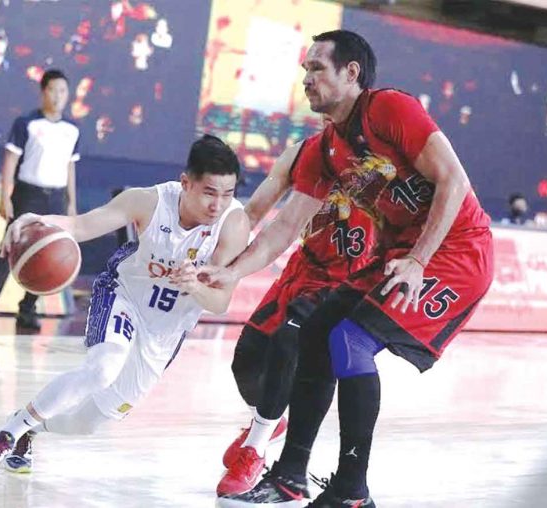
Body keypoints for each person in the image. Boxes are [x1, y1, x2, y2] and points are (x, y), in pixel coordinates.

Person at [209, 30, 494, 507]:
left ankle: (352, 493)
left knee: (350, 338)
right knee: (314, 331)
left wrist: (420, 260)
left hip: (456, 252)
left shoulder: (390, 109)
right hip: (400, 254)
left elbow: (454, 180)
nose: (307, 80)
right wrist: (232, 272)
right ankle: (290, 476)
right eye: (305, 71)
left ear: (352, 73)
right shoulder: (325, 149)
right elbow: (284, 229)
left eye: (317, 68)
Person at [0, 134, 250, 481]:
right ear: (186, 183)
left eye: (228, 194)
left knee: (91, 422)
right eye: (209, 192)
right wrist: (35, 218)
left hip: (165, 330)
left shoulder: (233, 226)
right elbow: (83, 225)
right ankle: (4, 434)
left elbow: (220, 303)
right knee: (103, 367)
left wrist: (195, 286)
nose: (217, 205)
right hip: (124, 295)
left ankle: (30, 431)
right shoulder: (148, 202)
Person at [217, 139, 376, 497]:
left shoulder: (389, 156)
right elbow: (256, 210)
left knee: (290, 341)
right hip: (303, 268)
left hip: (347, 280)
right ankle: (268, 422)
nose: (311, 84)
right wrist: (222, 251)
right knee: (246, 361)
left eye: (318, 78)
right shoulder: (305, 152)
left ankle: (255, 447)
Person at [0, 69, 80, 333]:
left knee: (47, 253)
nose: (58, 97)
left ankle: (28, 310)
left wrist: (71, 203)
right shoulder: (27, 123)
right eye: (53, 90)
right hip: (28, 193)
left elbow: (70, 168)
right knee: (7, 250)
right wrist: (5, 196)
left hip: (55, 197)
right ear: (43, 92)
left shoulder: (72, 130)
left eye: (63, 91)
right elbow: (9, 161)